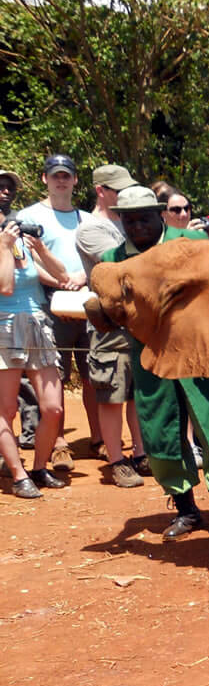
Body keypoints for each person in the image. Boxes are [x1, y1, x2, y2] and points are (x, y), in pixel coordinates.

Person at [101, 186, 209, 541]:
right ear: (120, 219)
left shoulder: (191, 241)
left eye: (144, 218)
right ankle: (186, 510)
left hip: (198, 350)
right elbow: (109, 311)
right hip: (148, 356)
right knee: (160, 429)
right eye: (129, 220)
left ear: (160, 214)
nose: (137, 226)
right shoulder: (113, 259)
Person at [17, 154, 98, 471]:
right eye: (55, 176)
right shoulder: (29, 216)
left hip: (87, 300)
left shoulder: (88, 220)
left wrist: (81, 279)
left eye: (66, 175)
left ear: (76, 180)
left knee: (94, 375)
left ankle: (98, 439)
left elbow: (96, 257)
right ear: (44, 179)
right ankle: (60, 443)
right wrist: (60, 281)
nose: (61, 180)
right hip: (48, 301)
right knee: (55, 376)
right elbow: (25, 260)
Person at [1, 211, 73, 497]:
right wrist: (4, 247)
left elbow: (62, 275)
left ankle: (39, 467)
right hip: (4, 326)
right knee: (6, 409)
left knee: (53, 407)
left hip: (38, 325)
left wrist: (39, 248)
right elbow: (5, 286)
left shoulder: (19, 245)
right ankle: (18, 475)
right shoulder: (6, 246)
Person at [77, 216, 148, 487]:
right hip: (109, 325)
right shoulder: (92, 229)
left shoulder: (134, 231)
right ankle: (117, 461)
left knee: (136, 394)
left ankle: (140, 453)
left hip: (138, 323)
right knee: (111, 395)